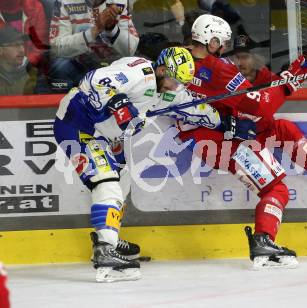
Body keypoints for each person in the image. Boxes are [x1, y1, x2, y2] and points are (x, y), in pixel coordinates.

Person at [178, 14, 307, 268]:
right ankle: (263, 241)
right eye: (222, 43)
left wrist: (284, 79)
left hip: (211, 137)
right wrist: (289, 85)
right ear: (211, 39)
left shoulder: (178, 58)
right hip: (226, 144)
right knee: (276, 189)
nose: (224, 49)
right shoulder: (218, 68)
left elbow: (241, 97)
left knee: (280, 128)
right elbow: (259, 106)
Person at [53, 46, 233, 282]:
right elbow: (93, 80)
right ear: (160, 69)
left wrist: (225, 122)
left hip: (106, 137)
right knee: (106, 184)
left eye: (181, 83)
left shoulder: (170, 90)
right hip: (77, 127)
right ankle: (105, 251)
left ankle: (111, 239)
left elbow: (192, 107)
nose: (176, 87)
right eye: (174, 81)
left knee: (123, 182)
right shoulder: (139, 72)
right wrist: (118, 104)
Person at [49, 0, 139, 91]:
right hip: (79, 64)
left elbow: (130, 50)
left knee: (141, 66)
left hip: (113, 67)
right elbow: (56, 48)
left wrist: (112, 28)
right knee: (60, 66)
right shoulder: (64, 2)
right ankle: (66, 101)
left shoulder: (121, 2)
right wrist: (94, 31)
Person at [0, 26, 37, 95]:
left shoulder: (32, 73)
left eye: (22, 44)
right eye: (15, 45)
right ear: (0, 50)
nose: (22, 50)